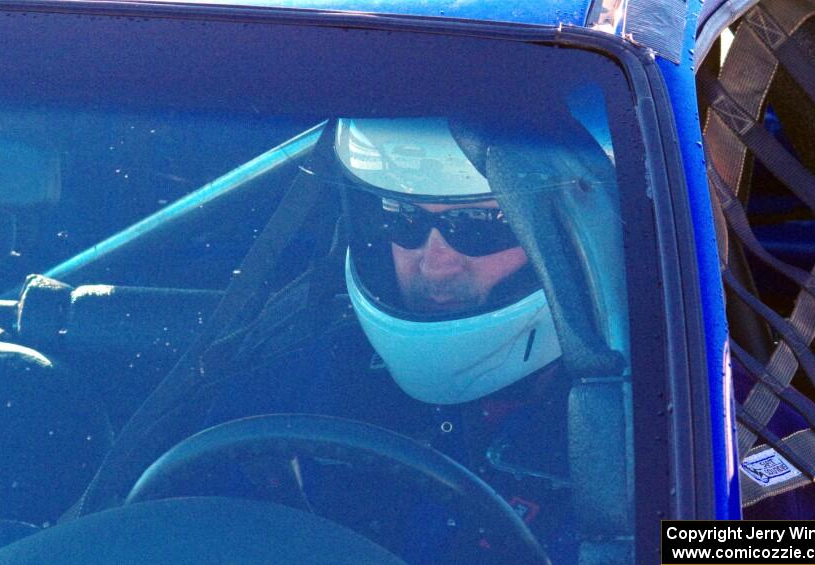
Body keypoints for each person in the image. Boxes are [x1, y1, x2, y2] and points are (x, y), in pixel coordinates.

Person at [203, 117, 627, 563]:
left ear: (566, 234)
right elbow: (183, 519)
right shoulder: (297, 383)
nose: (434, 264)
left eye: (479, 224)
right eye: (402, 218)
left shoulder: (673, 409)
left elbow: (700, 547)